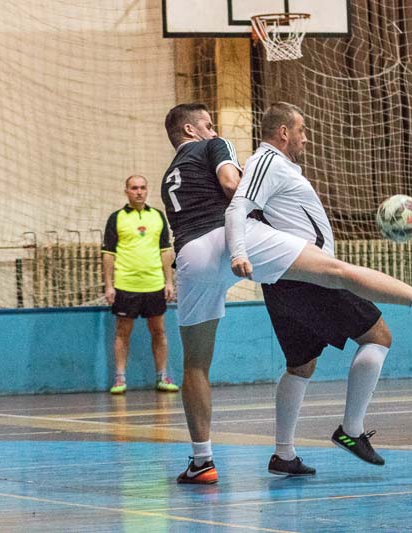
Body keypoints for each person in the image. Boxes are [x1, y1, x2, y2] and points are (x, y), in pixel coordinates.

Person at [225, 102, 412, 477]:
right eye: (302, 130)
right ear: (283, 133)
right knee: (378, 335)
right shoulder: (267, 161)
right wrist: (239, 252)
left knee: (301, 364)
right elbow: (237, 207)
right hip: (307, 276)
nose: (307, 138)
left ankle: (284, 454)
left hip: (286, 279)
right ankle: (352, 429)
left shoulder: (278, 166)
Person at [160, 103, 242, 485]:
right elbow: (232, 186)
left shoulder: (169, 176)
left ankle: (202, 461)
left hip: (191, 259)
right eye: (208, 124)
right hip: (227, 240)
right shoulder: (213, 146)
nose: (214, 130)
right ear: (191, 130)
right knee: (323, 270)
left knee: (194, 365)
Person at [102, 175, 178, 395]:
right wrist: (109, 285)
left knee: (159, 331)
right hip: (126, 285)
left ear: (147, 190)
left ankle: (162, 376)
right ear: (126, 191)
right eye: (134, 188)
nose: (139, 192)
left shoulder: (157, 216)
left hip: (154, 284)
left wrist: (169, 282)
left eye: (142, 188)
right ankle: (120, 379)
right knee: (122, 332)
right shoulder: (116, 218)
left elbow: (166, 251)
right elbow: (108, 254)